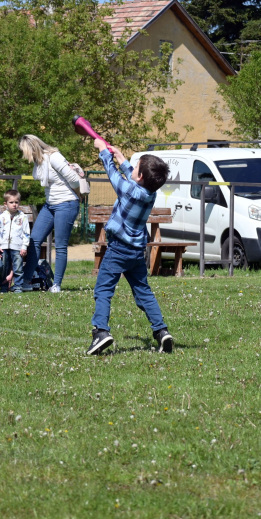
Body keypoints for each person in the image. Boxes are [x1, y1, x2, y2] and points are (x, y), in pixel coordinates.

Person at [85, 137, 173, 356]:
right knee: (143, 291)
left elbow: (114, 175)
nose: (131, 169)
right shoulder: (150, 193)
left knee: (104, 289)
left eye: (136, 167)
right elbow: (133, 177)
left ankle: (101, 332)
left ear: (140, 175)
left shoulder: (129, 190)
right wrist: (122, 158)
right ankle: (162, 332)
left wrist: (104, 153)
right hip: (136, 252)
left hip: (117, 250)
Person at [18, 135, 81, 293]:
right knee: (34, 240)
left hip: (66, 204)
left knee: (60, 245)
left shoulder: (54, 157)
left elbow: (74, 180)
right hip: (50, 204)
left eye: (24, 151)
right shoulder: (40, 161)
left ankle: (56, 284)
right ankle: (26, 281)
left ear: (31, 148)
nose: (24, 155)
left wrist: (73, 193)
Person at [0, 189, 30, 293]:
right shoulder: (2, 217)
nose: (14, 205)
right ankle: (3, 286)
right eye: (11, 202)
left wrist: (24, 246)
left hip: (17, 247)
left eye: (16, 202)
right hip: (4, 247)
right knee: (4, 267)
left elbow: (26, 233)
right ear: (5, 204)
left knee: (18, 267)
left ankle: (18, 286)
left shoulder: (23, 217)